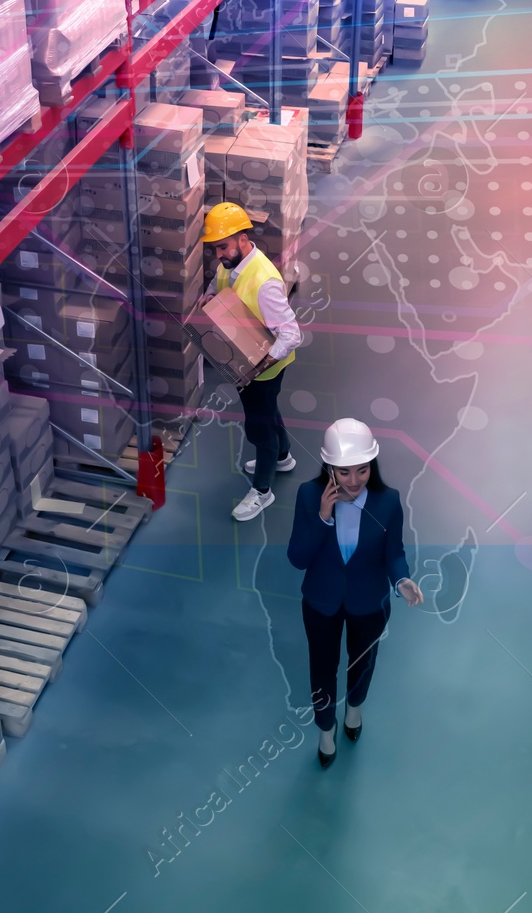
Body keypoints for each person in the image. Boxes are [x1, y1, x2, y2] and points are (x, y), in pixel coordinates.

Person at [287, 419, 424, 768]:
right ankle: (325, 729)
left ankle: (354, 710)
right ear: (328, 467)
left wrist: (402, 580)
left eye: (361, 471)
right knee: (322, 668)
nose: (353, 481)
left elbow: (394, 552)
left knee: (362, 664)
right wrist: (322, 516)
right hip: (321, 601)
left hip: (369, 602)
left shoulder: (388, 501)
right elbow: (297, 558)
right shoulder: (308, 495)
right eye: (343, 472)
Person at [200, 201, 302, 522]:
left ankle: (262, 491)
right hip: (246, 364)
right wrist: (207, 299)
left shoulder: (265, 283)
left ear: (244, 238)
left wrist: (260, 364)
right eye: (215, 248)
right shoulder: (228, 266)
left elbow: (291, 335)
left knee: (259, 428)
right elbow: (218, 286)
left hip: (262, 370)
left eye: (224, 246)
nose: (219, 254)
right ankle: (283, 458)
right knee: (268, 413)